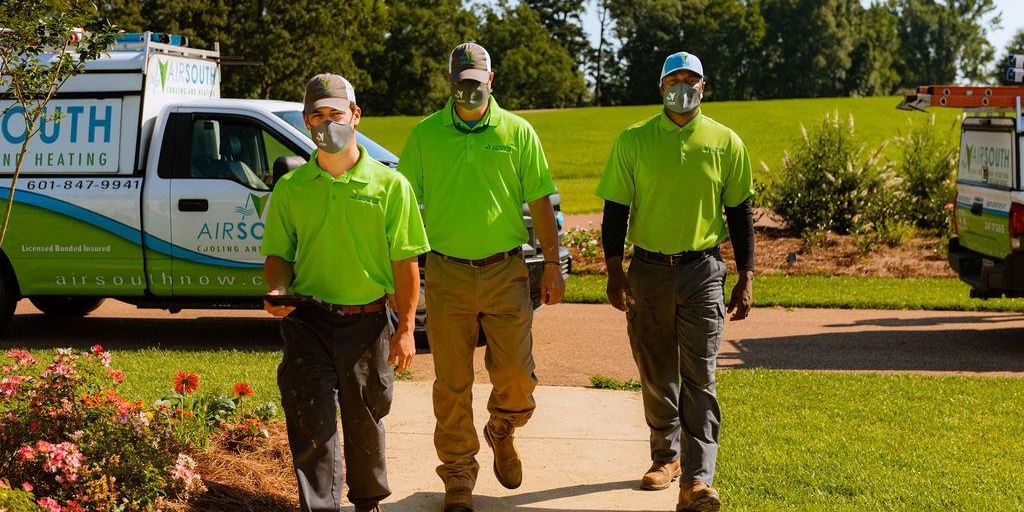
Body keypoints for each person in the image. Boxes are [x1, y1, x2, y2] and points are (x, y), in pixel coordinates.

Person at [397, 42, 565, 512]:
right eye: (461, 82)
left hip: (506, 271)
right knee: (451, 383)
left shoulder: (518, 132)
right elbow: (403, 203)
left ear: (491, 81)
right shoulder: (425, 135)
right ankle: (458, 476)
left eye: (477, 82)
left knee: (516, 375)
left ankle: (502, 427)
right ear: (450, 83)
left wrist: (553, 264)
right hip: (447, 273)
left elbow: (540, 202)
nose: (469, 90)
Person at [261, 73, 429, 512]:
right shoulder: (291, 188)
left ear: (355, 116)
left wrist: (406, 329)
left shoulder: (391, 186)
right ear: (306, 121)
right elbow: (278, 254)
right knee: (311, 424)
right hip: (308, 323)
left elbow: (406, 263)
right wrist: (277, 287)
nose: (326, 123)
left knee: (365, 420)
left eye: (335, 114)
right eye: (317, 115)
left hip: (368, 322)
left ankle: (368, 501)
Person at [596, 52, 754, 512]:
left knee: (700, 375)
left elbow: (740, 213)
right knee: (656, 370)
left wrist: (746, 275)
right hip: (647, 271)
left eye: (691, 80)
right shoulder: (634, 140)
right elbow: (615, 211)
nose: (682, 87)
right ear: (660, 86)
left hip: (703, 270)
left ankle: (697, 480)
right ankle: (665, 458)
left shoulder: (725, 142)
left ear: (703, 87)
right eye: (674, 79)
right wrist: (613, 269)